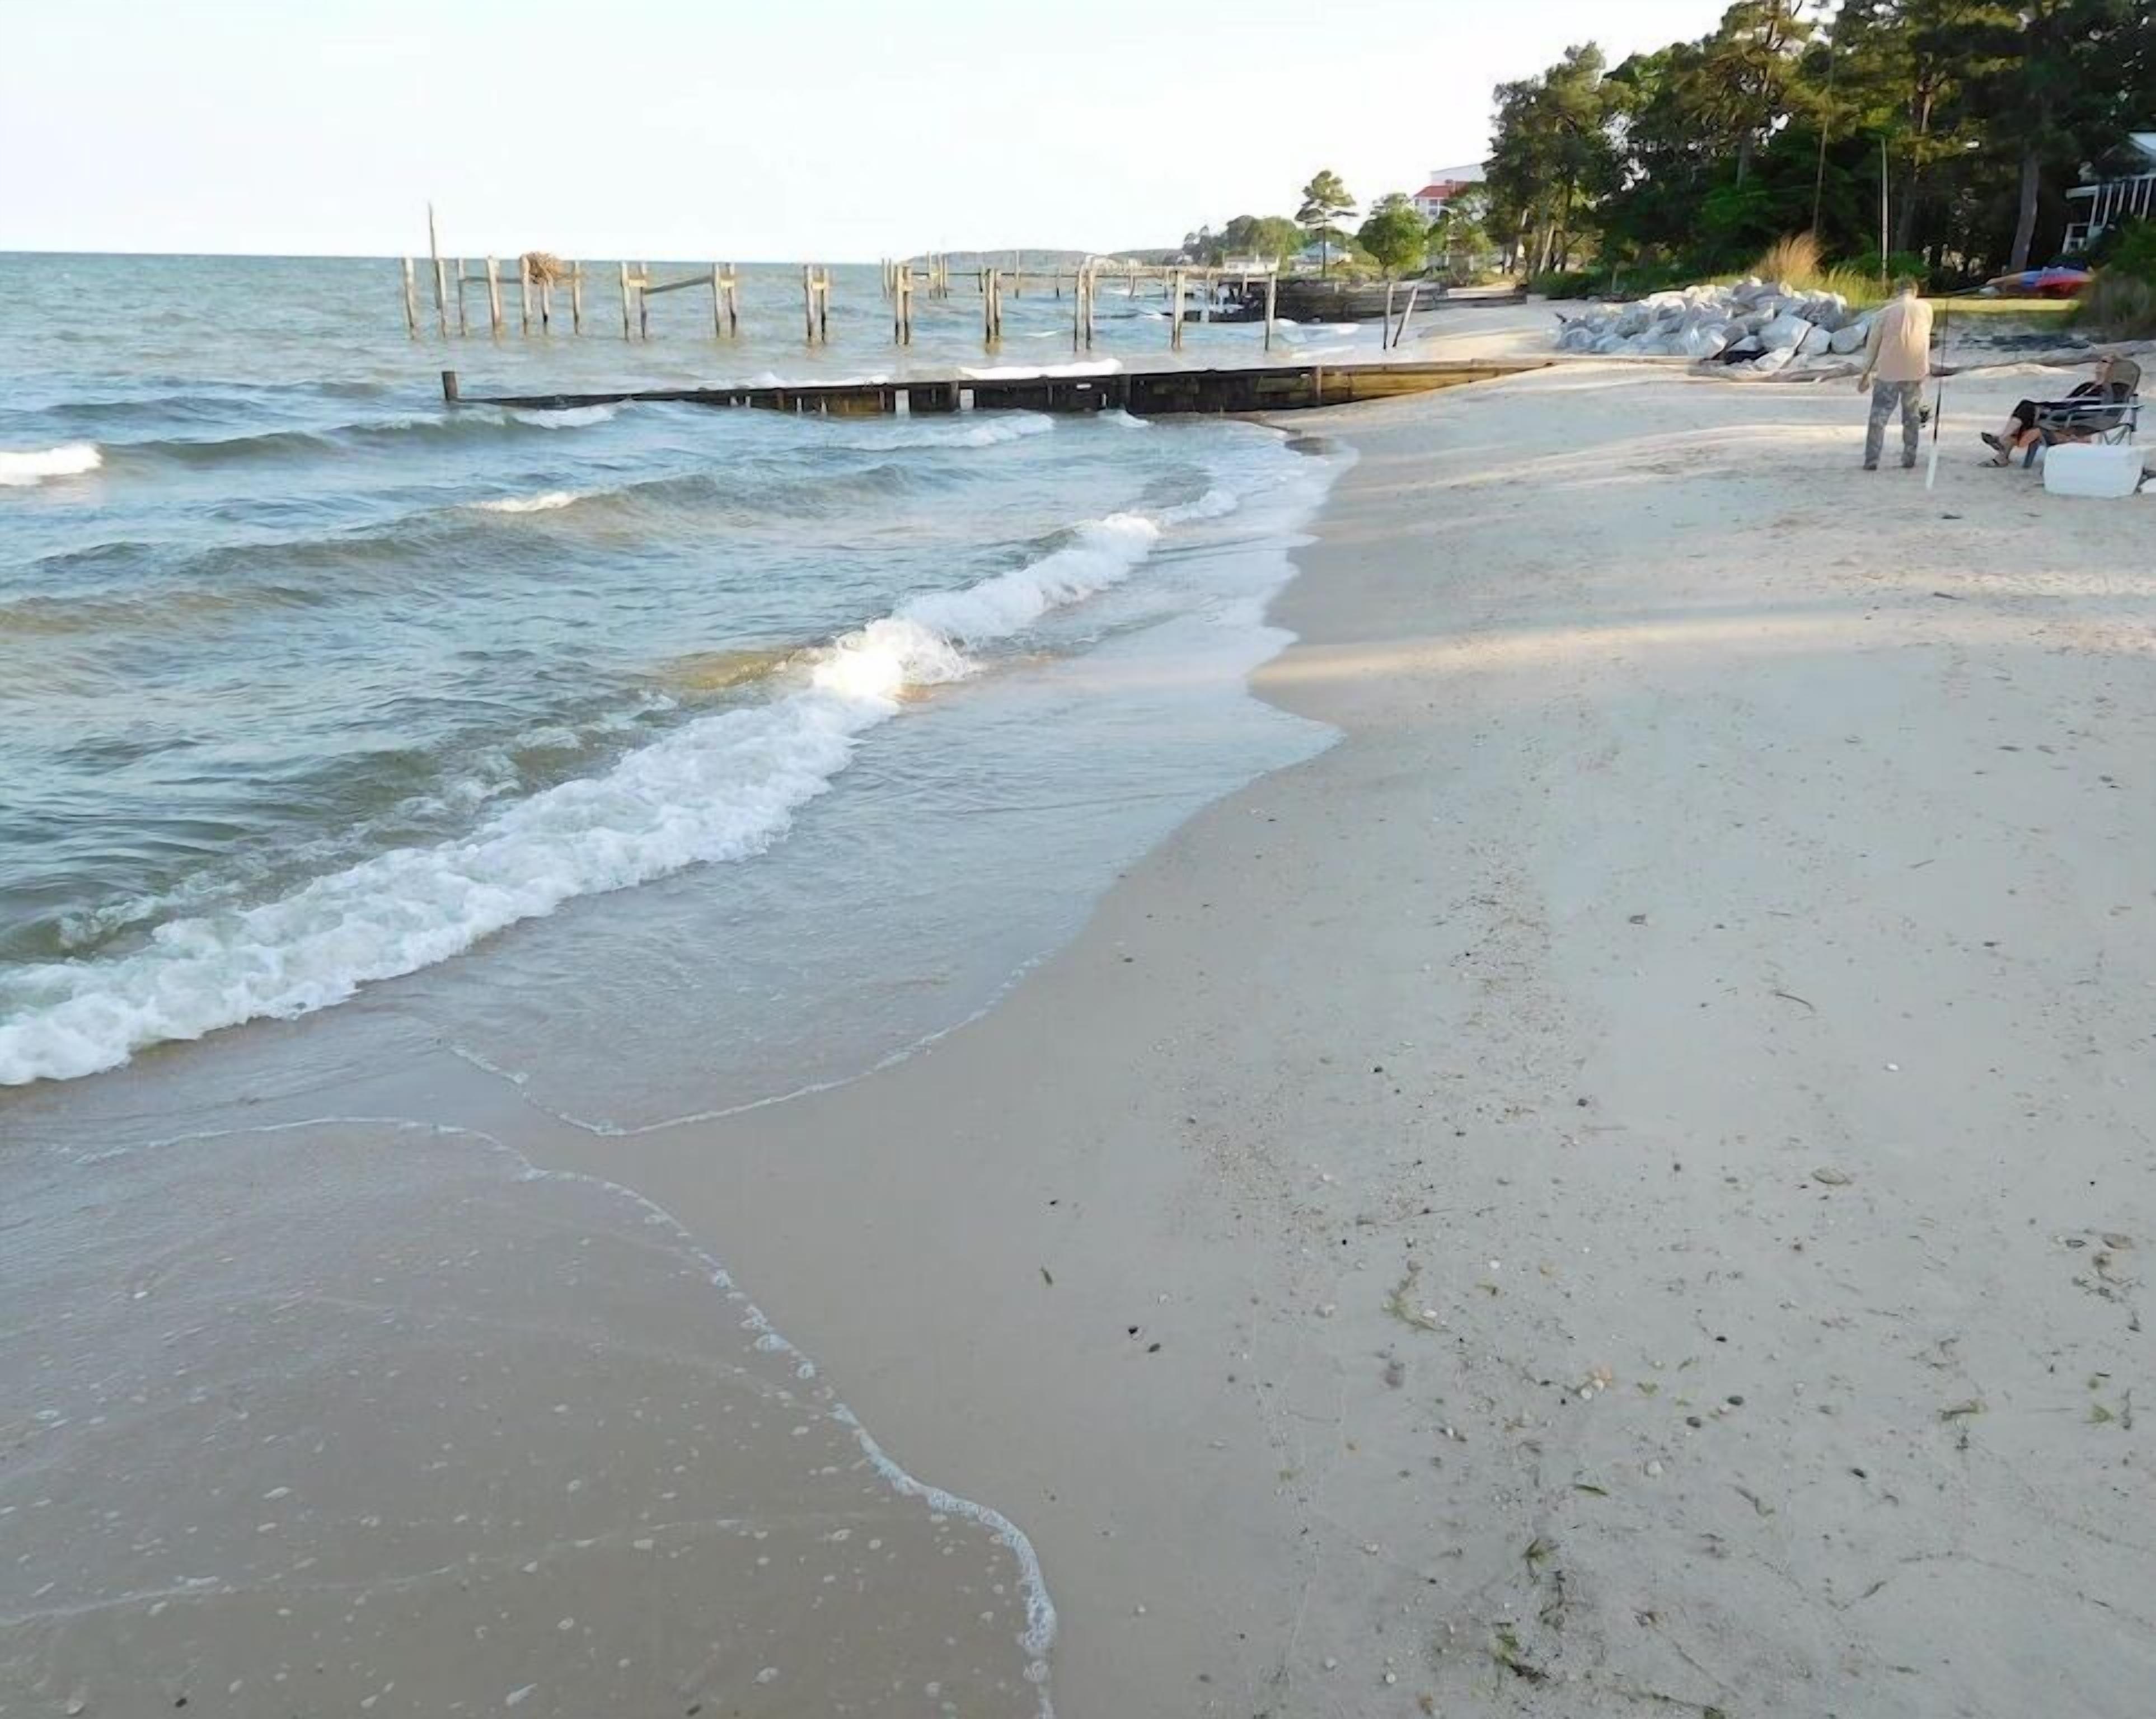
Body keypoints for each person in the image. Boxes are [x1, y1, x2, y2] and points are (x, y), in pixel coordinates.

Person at [1980, 355, 2123, 466]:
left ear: (2114, 368)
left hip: (2075, 417)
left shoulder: (2110, 390)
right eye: (2099, 360)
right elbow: (2068, 400)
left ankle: (2002, 445)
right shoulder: (2086, 386)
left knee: (2027, 410)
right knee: (2027, 411)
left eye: (2104, 362)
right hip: (2065, 411)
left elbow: (2105, 409)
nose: (2099, 364)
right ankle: (2002, 447)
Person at [1856, 277, 1934, 470]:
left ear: (1896, 292)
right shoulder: (1926, 309)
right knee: (1912, 416)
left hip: (1888, 372)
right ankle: (1910, 457)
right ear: (1915, 291)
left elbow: (1873, 345)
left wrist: (1865, 373)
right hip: (1916, 370)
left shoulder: (1885, 313)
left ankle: (1872, 460)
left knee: (1879, 417)